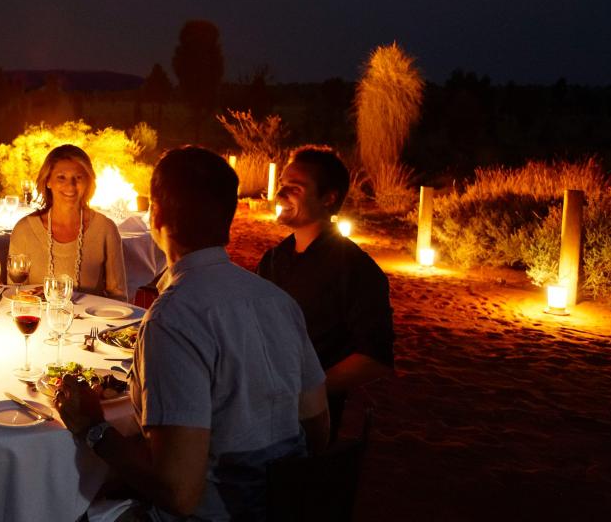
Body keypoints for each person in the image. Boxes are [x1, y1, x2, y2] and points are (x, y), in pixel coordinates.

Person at [56, 146, 329, 521]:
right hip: (286, 508)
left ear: (156, 214)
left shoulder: (172, 318)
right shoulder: (277, 301)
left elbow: (179, 494)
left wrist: (94, 428)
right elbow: (317, 426)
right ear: (228, 222)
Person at [257, 146, 395, 438]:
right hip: (257, 404)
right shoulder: (274, 259)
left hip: (309, 421)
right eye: (282, 185)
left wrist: (306, 392)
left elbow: (374, 359)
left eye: (294, 188)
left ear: (328, 198)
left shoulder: (355, 269)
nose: (281, 195)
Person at [9, 144, 127, 300]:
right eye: (61, 177)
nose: (70, 186)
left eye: (78, 178)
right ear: (48, 181)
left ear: (88, 182)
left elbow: (118, 297)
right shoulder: (24, 230)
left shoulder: (106, 229)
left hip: (90, 324)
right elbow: (14, 294)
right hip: (38, 322)